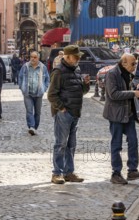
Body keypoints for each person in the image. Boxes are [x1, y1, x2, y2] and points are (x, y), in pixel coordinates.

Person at [48, 45, 91, 184]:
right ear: (67, 57)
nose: (78, 58)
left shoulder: (76, 69)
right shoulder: (58, 71)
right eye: (76, 56)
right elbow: (51, 95)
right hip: (64, 113)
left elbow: (81, 91)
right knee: (61, 144)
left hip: (75, 112)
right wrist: (61, 108)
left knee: (71, 144)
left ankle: (69, 172)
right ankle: (57, 173)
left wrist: (86, 85)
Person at [103, 53, 139, 185]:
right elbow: (114, 94)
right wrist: (134, 93)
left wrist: (138, 88)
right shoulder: (112, 74)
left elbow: (129, 89)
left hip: (129, 114)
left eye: (136, 63)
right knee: (116, 144)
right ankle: (116, 173)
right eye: (133, 64)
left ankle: (132, 170)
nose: (135, 66)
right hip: (116, 114)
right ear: (124, 63)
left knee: (133, 141)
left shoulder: (127, 74)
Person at [18, 51, 50, 135]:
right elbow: (20, 77)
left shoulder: (43, 67)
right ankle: (31, 126)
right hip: (28, 93)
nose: (33, 58)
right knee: (29, 111)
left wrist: (44, 89)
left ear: (38, 58)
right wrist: (21, 88)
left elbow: (47, 79)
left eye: (35, 57)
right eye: (31, 57)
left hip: (39, 93)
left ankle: (35, 127)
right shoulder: (25, 66)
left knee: (37, 112)